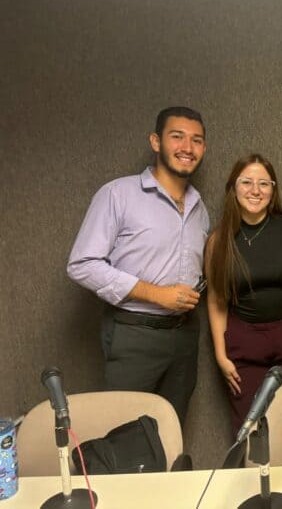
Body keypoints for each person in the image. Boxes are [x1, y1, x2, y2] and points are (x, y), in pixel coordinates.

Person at [67, 106, 209, 425]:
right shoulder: (118, 194)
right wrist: (157, 294)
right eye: (177, 136)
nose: (187, 147)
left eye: (197, 140)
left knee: (172, 427)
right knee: (124, 429)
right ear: (156, 142)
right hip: (134, 334)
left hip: (185, 336)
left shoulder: (200, 208)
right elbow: (82, 264)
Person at [205, 154, 282, 437]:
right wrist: (221, 355)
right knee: (249, 432)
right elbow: (216, 301)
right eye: (246, 182)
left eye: (264, 184)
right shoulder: (218, 241)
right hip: (244, 349)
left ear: (273, 190)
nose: (255, 190)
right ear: (233, 188)